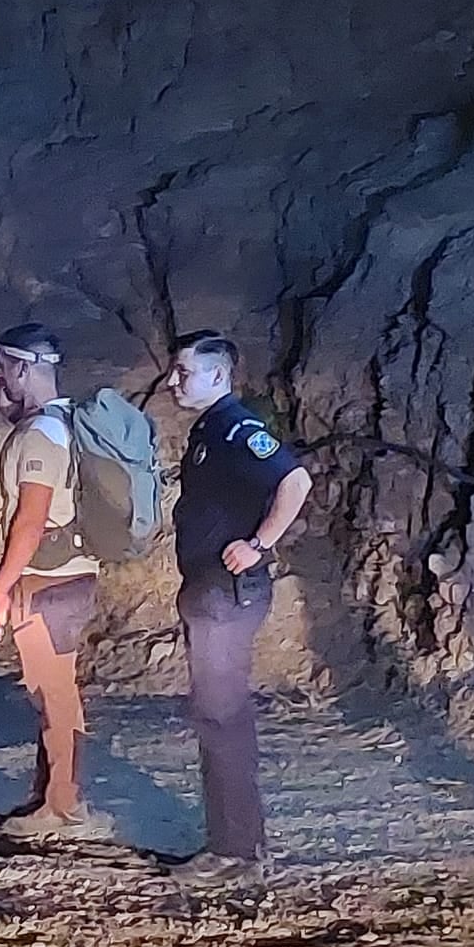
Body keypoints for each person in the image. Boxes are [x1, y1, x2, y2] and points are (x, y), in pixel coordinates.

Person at [164, 330, 312, 881]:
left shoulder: (235, 426)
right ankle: (233, 843)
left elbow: (294, 480)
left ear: (219, 376)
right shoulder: (213, 428)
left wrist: (258, 544)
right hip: (211, 589)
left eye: (185, 372)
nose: (174, 381)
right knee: (215, 713)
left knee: (220, 716)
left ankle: (235, 852)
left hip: (226, 593)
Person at [0, 324, 107, 838]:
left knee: (53, 691)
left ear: (25, 368)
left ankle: (63, 804)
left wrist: (3, 589)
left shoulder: (39, 436)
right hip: (73, 570)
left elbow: (30, 520)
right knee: (55, 688)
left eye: (5, 369)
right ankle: (53, 791)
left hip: (47, 578)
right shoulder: (65, 423)